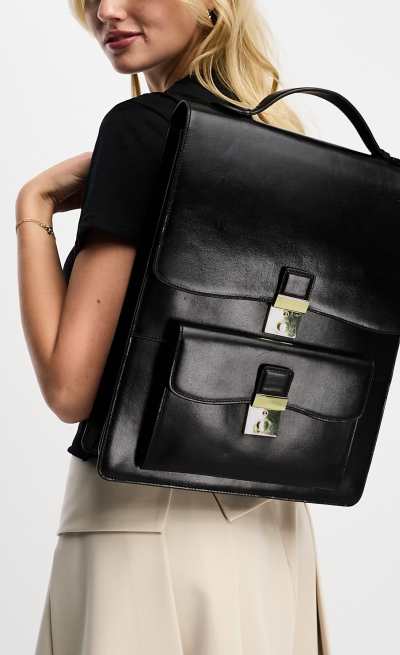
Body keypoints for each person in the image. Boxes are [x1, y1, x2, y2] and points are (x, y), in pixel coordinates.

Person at [16, 1, 332, 653]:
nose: (107, 11)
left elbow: (70, 388)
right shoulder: (287, 142)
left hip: (142, 523)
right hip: (272, 522)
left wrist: (33, 209)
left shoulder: (142, 129)